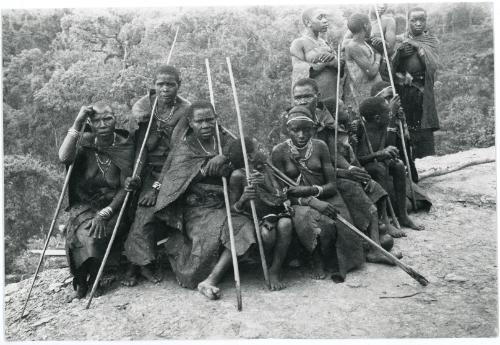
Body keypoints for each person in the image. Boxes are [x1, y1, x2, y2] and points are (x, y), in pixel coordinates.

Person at [153, 101, 256, 300]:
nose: (206, 125)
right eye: (200, 121)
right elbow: (174, 182)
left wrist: (224, 156)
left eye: (210, 119)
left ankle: (211, 279)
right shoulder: (185, 147)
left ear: (216, 119)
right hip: (197, 207)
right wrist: (204, 167)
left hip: (225, 202)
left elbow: (245, 150)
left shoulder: (224, 141)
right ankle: (208, 276)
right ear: (190, 123)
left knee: (242, 226)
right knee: (208, 240)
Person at [272, 106, 364, 282]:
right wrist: (309, 200)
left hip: (326, 195)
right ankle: (315, 258)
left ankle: (340, 263)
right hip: (298, 202)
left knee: (342, 223)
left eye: (306, 130)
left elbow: (332, 185)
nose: (301, 135)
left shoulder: (320, 147)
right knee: (315, 221)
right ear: (287, 130)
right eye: (295, 130)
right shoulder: (279, 152)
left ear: (313, 129)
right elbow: (281, 193)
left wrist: (312, 190)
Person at [122, 65, 191, 287]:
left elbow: (175, 153)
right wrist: (137, 177)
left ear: (179, 85)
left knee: (152, 210)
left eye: (170, 84)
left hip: (176, 171)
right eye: (160, 84)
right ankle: (138, 264)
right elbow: (140, 147)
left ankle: (141, 264)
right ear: (154, 85)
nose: (164, 89)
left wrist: (156, 187)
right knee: (141, 212)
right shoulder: (144, 107)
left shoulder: (185, 110)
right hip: (147, 170)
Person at [59, 103, 134, 299]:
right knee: (78, 233)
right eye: (97, 120)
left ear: (115, 119)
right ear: (91, 123)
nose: (103, 124)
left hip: (115, 206)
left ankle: (94, 282)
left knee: (93, 234)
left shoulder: (125, 147)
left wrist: (106, 212)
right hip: (85, 205)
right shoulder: (85, 143)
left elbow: (126, 188)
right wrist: (78, 120)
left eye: (107, 118)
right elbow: (63, 156)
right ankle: (81, 283)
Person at [227, 139, 293, 291]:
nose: (262, 151)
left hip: (276, 211)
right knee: (267, 234)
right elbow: (232, 208)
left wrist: (265, 184)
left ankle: (275, 269)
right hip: (256, 217)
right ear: (249, 157)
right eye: (258, 148)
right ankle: (267, 259)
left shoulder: (266, 170)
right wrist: (243, 198)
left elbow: (280, 195)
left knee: (286, 224)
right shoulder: (237, 175)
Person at [354, 97, 424, 231]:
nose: (390, 114)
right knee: (379, 168)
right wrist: (379, 155)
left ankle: (403, 216)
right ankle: (385, 219)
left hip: (378, 162)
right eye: (388, 112)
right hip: (363, 168)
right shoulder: (361, 129)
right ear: (377, 118)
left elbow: (387, 144)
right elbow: (358, 159)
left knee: (398, 165)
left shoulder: (382, 125)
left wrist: (387, 153)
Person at [392, 7, 440, 158]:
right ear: (408, 21)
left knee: (424, 126)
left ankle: (427, 159)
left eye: (422, 20)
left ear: (426, 21)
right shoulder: (399, 41)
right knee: (406, 124)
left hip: (422, 91)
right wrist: (399, 54)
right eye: (414, 20)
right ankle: (410, 162)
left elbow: (433, 66)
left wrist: (417, 48)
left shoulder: (431, 41)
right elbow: (388, 68)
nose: (418, 23)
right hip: (404, 90)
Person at [290, 8, 343, 101]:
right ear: (308, 22)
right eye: (320, 17)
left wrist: (334, 61)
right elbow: (299, 71)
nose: (325, 20)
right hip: (314, 97)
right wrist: (324, 64)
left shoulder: (324, 42)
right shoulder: (299, 43)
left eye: (325, 17)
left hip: (333, 93)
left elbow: (340, 66)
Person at [343, 4, 396, 82]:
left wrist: (384, 43)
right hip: (363, 67)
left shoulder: (388, 21)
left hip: (383, 66)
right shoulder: (360, 20)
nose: (382, 6)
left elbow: (390, 49)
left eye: (385, 3)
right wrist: (367, 39)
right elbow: (345, 44)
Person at [343, 13, 383, 110]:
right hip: (364, 92)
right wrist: (378, 57)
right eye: (370, 24)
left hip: (372, 90)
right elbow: (371, 72)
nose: (371, 27)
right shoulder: (353, 46)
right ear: (365, 25)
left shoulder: (363, 42)